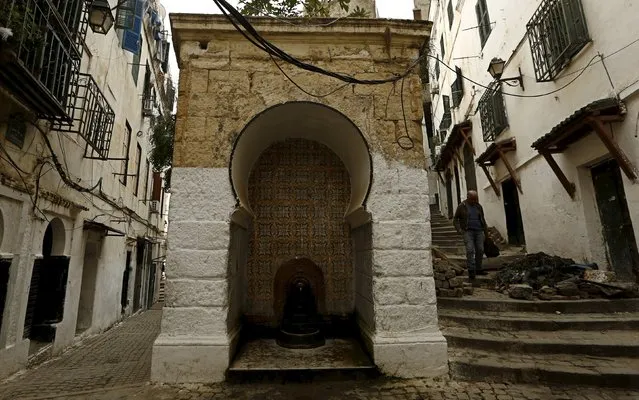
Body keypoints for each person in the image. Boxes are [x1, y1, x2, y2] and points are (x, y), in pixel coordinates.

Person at [453, 190, 488, 280]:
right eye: (472, 199)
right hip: (468, 231)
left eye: (475, 199)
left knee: (480, 249)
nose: (474, 201)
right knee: (469, 250)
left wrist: (486, 231)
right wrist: (459, 230)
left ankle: (478, 268)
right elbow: (455, 219)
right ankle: (471, 270)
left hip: (479, 231)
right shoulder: (462, 206)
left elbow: (482, 219)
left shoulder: (478, 206)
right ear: (468, 197)